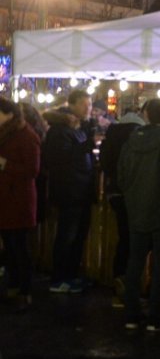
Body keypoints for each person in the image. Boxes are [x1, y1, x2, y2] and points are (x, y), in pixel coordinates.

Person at [118, 98, 160, 331]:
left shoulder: (131, 143)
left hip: (136, 210)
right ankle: (156, 317)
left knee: (134, 263)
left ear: (146, 115)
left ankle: (131, 315)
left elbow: (122, 177)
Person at [42, 90, 97, 294]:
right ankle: (60, 277)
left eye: (90, 105)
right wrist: (85, 147)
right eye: (84, 104)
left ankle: (71, 276)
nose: (88, 108)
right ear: (72, 105)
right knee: (67, 235)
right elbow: (58, 159)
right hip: (69, 191)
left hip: (80, 189)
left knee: (78, 235)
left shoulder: (78, 128)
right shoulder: (60, 130)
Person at [98, 104, 147, 307]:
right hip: (135, 193)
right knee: (134, 240)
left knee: (124, 237)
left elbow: (104, 163)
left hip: (115, 192)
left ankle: (119, 282)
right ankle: (128, 289)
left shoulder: (112, 133)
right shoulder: (141, 135)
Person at [0, 97, 41, 312]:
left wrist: (5, 164)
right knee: (10, 247)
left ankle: (24, 291)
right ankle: (14, 287)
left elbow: (32, 171)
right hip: (6, 200)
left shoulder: (27, 136)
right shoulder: (7, 133)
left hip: (19, 200)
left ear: (9, 114)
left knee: (20, 248)